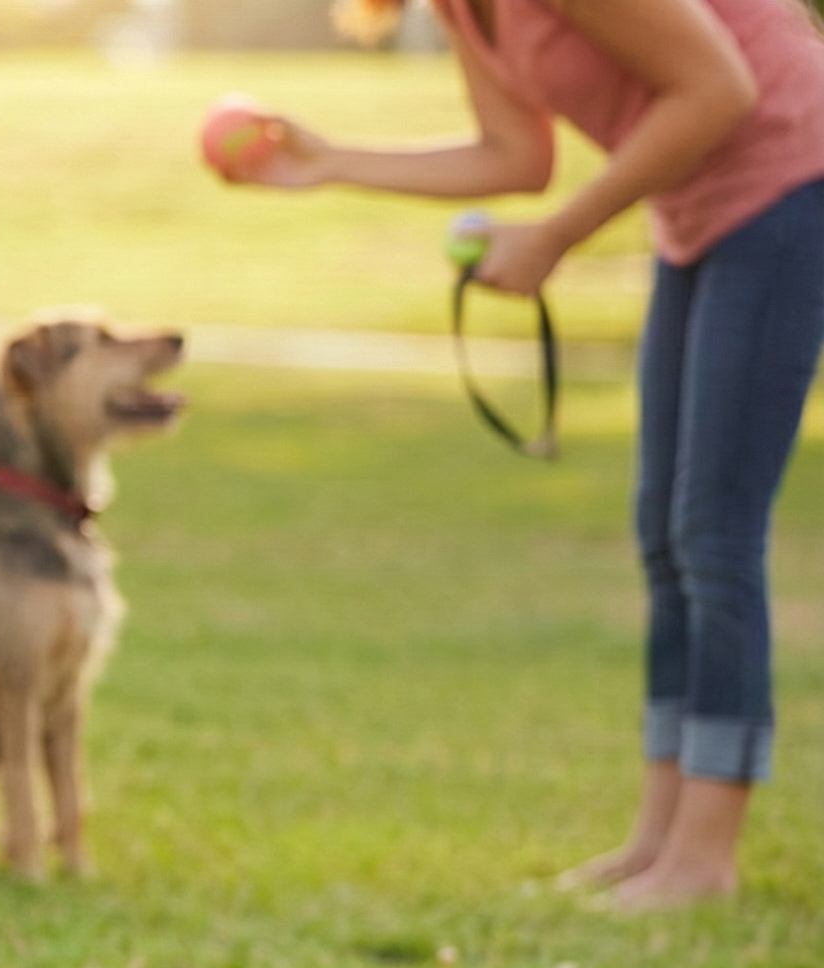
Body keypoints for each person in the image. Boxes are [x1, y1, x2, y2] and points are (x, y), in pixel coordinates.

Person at [223, 0, 823, 910]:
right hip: (696, 213)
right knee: (664, 534)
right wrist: (330, 162)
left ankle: (705, 856)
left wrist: (554, 239)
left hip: (787, 182)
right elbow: (515, 154)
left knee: (713, 532)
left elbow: (720, 88)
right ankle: (658, 840)